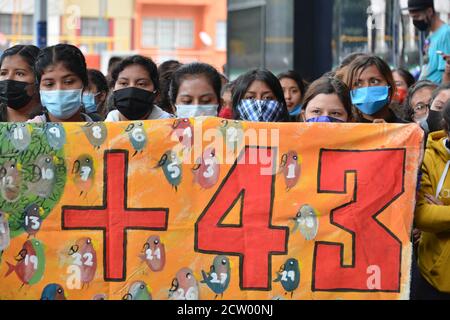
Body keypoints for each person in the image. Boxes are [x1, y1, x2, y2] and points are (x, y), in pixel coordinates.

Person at [413, 99, 450, 300]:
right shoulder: (428, 157)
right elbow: (421, 215)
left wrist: (442, 213)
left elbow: (433, 215)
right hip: (432, 280)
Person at [30, 44, 94, 123]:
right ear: (39, 88)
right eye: (49, 84)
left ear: (84, 83)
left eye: (68, 82)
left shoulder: (103, 132)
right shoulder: (28, 132)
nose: (59, 90)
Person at [106, 55, 172, 122]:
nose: (131, 90)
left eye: (141, 84)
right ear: (113, 87)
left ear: (155, 90)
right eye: (124, 83)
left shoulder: (171, 127)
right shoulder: (105, 126)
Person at [342, 55, 405, 123]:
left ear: (389, 86)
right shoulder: (346, 131)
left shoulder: (408, 130)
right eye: (357, 84)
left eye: (374, 81)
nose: (367, 88)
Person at [407, 0, 450, 84]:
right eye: (412, 18)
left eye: (417, 16)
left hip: (435, 93)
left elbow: (447, 74)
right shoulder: (430, 36)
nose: (415, 22)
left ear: (429, 12)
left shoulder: (446, 33)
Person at [0, 45, 42, 122]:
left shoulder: (52, 119)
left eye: (19, 74)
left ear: (38, 79)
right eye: (3, 73)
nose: (8, 78)